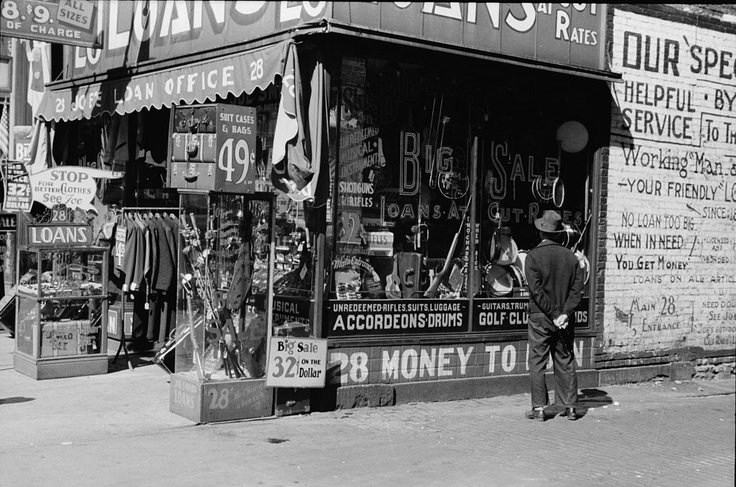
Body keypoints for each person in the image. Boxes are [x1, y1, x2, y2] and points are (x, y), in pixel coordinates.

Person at [523, 210, 585, 421]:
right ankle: (570, 407)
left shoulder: (532, 257)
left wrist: (553, 314)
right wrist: (564, 314)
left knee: (537, 362)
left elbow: (536, 292)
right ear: (559, 233)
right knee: (565, 359)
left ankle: (539, 408)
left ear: (541, 232)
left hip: (541, 317)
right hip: (564, 319)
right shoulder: (571, 258)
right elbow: (577, 291)